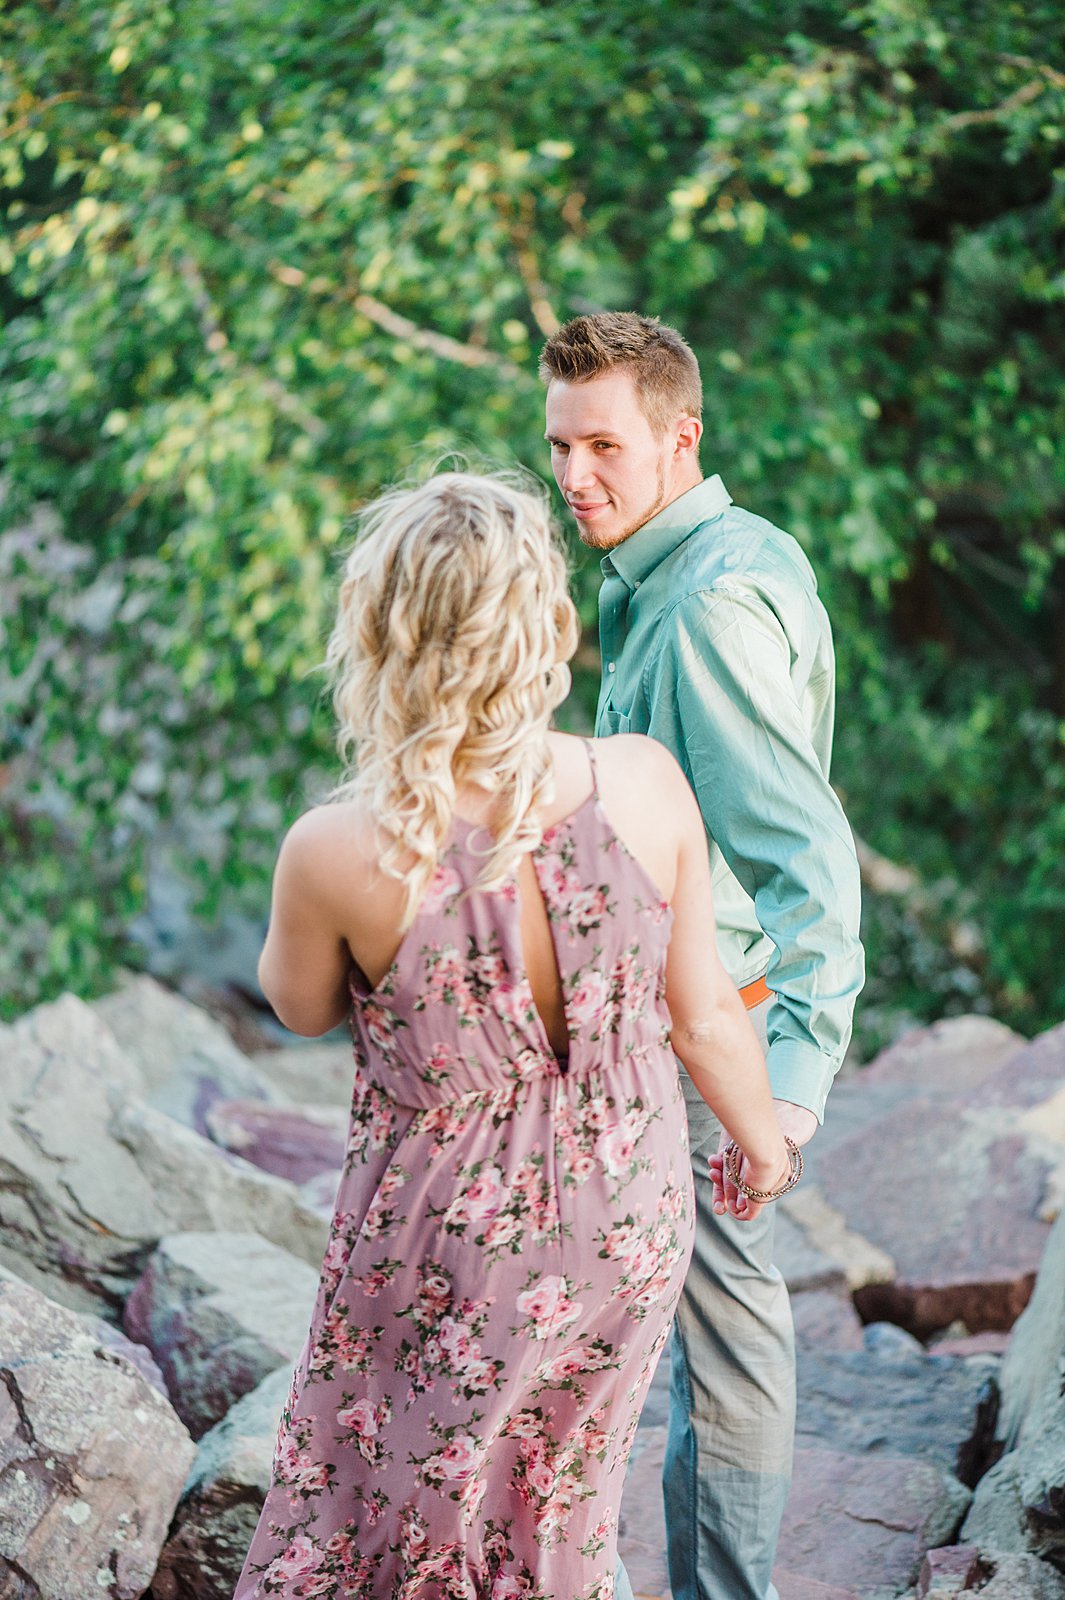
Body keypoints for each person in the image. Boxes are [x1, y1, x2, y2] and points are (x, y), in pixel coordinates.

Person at [233, 471, 791, 1600]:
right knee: (558, 1508)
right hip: (626, 1218)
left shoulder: (337, 847)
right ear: (551, 624)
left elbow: (295, 1005)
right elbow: (702, 1017)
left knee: (387, 1509)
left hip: (448, 1240)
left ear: (380, 638)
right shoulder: (641, 780)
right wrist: (766, 1144)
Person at [541, 313, 865, 1600]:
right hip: (684, 1020)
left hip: (700, 1032)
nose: (575, 477)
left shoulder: (708, 612)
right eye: (560, 446)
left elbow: (810, 868)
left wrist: (780, 1094)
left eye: (604, 446)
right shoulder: (713, 556)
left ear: (680, 438)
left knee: (724, 1344)